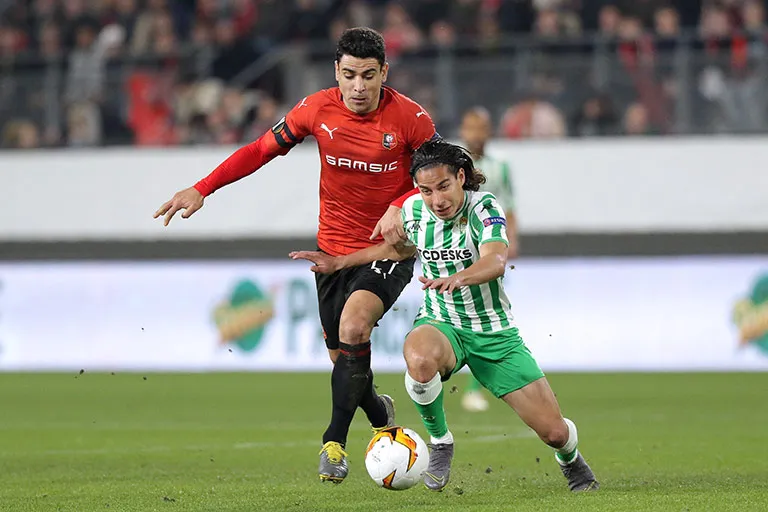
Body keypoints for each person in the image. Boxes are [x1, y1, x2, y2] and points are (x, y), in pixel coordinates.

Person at [153, 27, 438, 484]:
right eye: (350, 75)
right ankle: (379, 409)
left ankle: (333, 444)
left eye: (369, 75)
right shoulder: (315, 109)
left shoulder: (411, 118)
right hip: (331, 250)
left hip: (387, 248)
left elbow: (438, 171)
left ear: (385, 72)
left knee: (354, 325)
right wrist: (202, 188)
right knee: (342, 358)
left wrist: (402, 203)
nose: (359, 87)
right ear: (336, 73)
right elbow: (260, 150)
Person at [290, 140, 599, 493]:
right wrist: (341, 262)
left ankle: (571, 461)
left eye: (443, 187)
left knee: (554, 432)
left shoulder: (484, 207)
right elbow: (398, 248)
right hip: (442, 321)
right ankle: (440, 442)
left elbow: (496, 260)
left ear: (461, 178)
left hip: (493, 332)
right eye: (425, 190)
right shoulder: (413, 210)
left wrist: (459, 277)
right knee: (419, 358)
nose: (436, 200)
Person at [458, 106, 519, 413]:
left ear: (489, 131)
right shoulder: (453, 165)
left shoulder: (500, 167)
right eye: (470, 127)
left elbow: (509, 208)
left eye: (480, 128)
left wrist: (512, 241)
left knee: (486, 314)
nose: (475, 134)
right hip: (455, 250)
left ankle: (474, 387)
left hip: (487, 250)